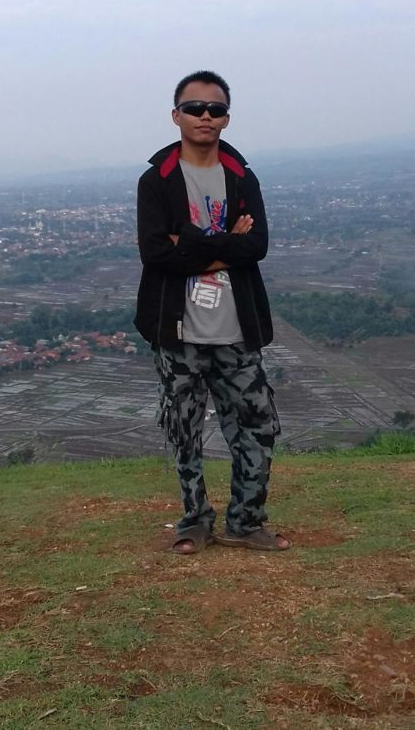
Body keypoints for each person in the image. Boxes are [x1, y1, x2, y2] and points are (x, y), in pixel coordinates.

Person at [134, 70, 290, 554]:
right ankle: (194, 521)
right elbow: (155, 253)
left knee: (257, 425)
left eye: (215, 109)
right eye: (195, 108)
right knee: (184, 430)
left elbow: (257, 246)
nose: (205, 116)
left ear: (226, 118)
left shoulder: (242, 177)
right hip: (177, 330)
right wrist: (227, 246)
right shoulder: (157, 180)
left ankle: (245, 521)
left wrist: (190, 242)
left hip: (237, 327)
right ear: (175, 115)